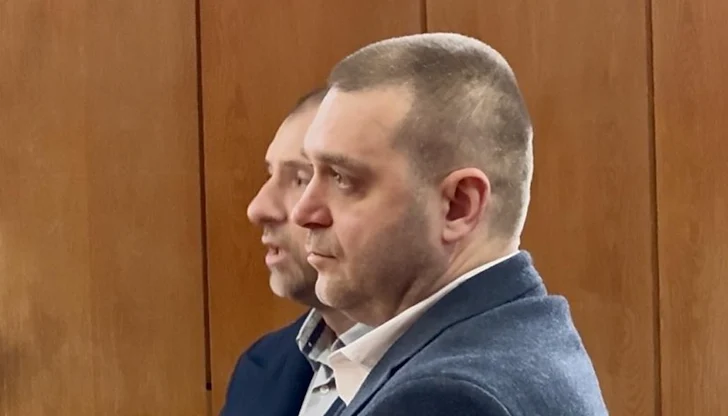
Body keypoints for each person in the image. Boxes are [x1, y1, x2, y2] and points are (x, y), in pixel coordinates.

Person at [292, 33, 609, 415]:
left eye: (343, 178)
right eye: (309, 173)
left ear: (458, 206)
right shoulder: (522, 332)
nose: (303, 212)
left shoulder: (444, 397)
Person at [220, 88, 371, 416]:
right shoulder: (260, 367)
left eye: (301, 179)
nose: (258, 208)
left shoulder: (456, 386)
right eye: (270, 174)